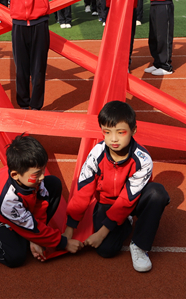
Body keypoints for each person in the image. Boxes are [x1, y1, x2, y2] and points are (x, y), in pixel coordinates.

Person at [66, 100, 170, 272]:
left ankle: (140, 245)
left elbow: (127, 199)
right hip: (107, 202)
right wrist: (69, 229)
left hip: (134, 201)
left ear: (133, 130)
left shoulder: (143, 159)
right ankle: (125, 221)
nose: (113, 139)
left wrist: (101, 233)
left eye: (120, 132)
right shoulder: (96, 154)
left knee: (157, 193)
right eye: (107, 132)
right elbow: (83, 191)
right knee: (106, 250)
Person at [0, 134, 83, 267]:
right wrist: (64, 242)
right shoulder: (8, 200)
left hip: (21, 208)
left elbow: (41, 205)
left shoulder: (33, 179)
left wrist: (35, 239)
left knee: (53, 183)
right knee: (15, 257)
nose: (42, 177)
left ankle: (30, 233)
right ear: (15, 175)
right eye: (37, 173)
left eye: (43, 170)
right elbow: (31, 226)